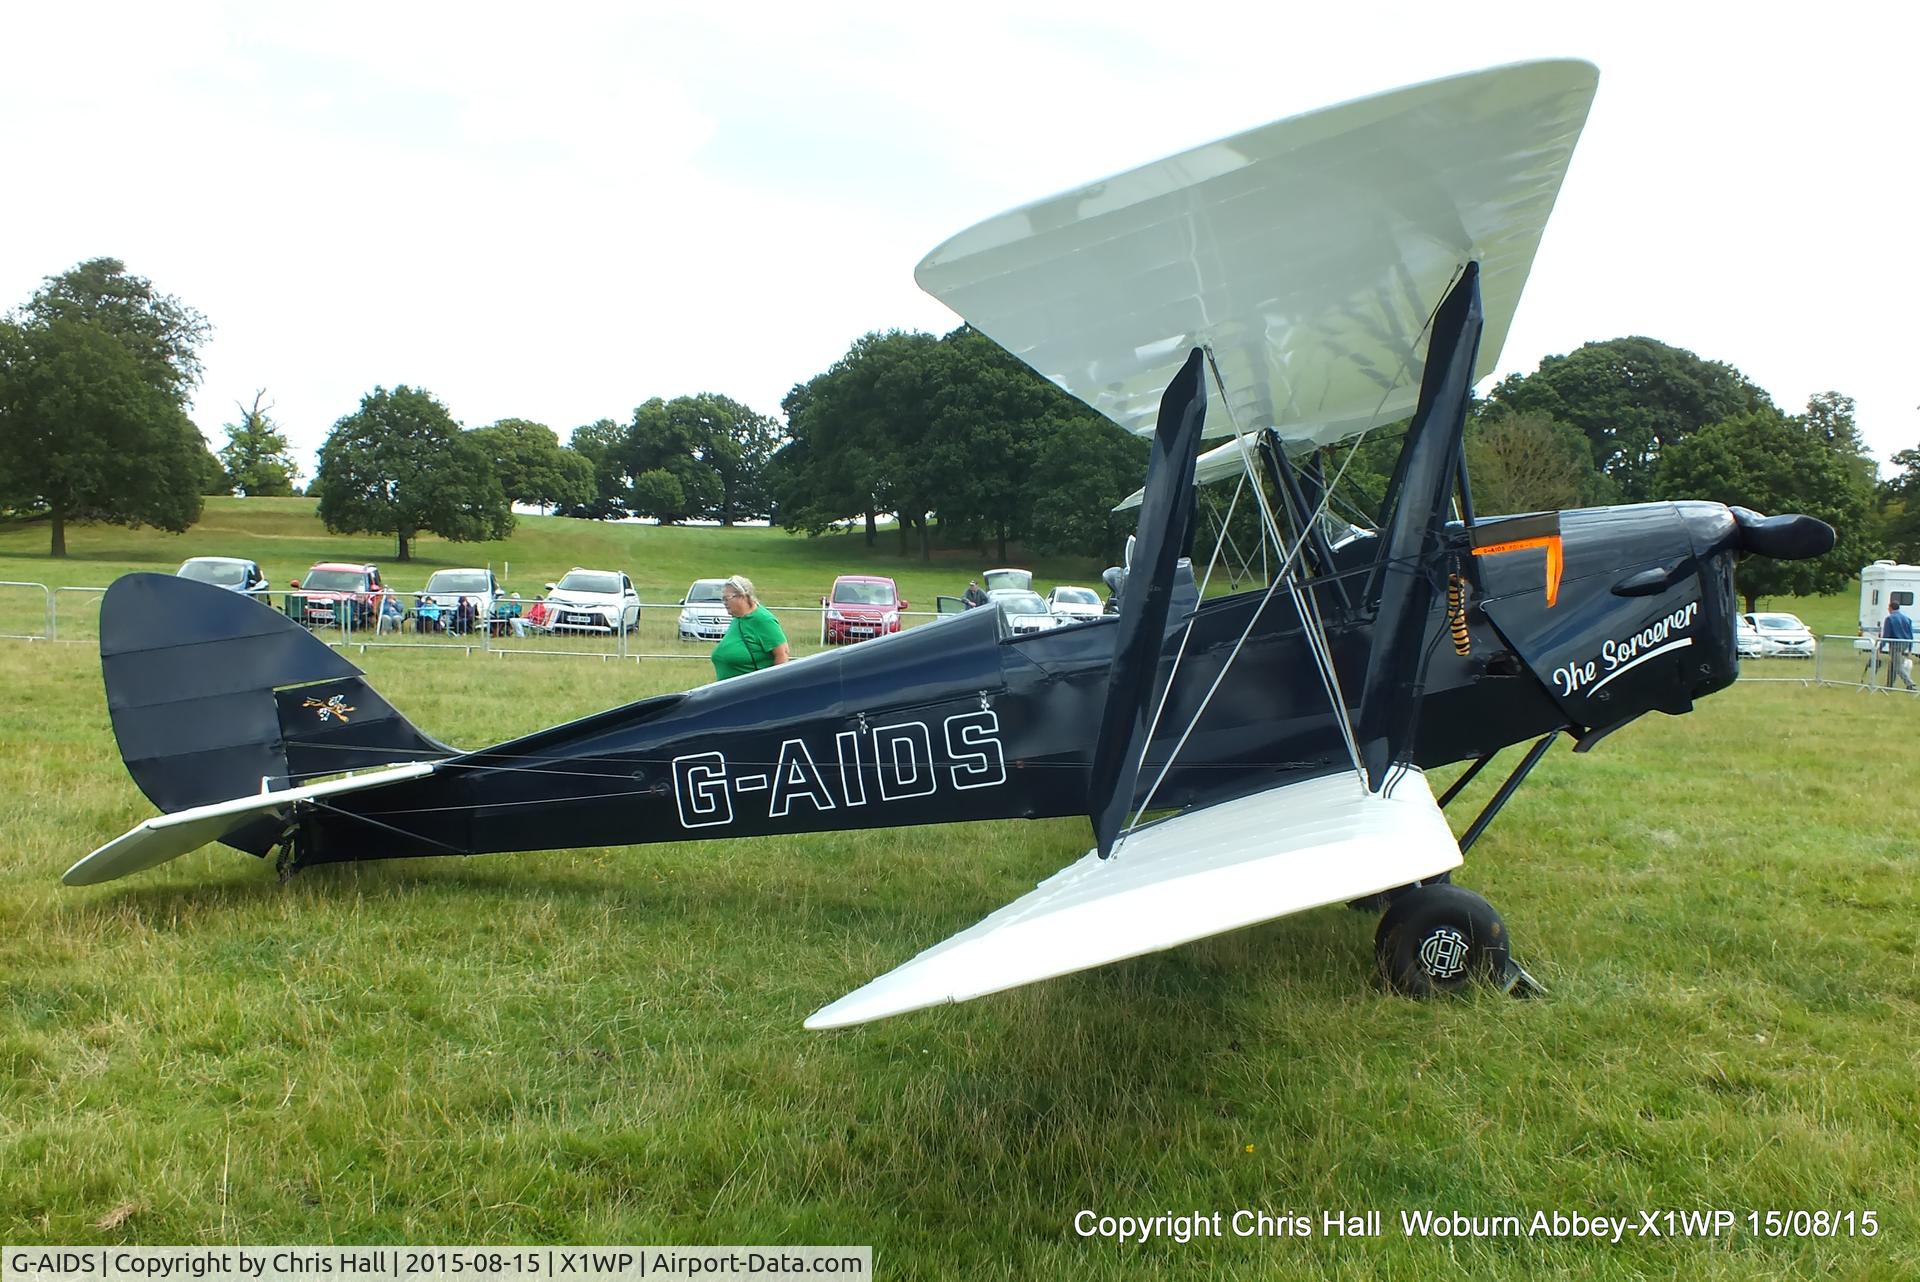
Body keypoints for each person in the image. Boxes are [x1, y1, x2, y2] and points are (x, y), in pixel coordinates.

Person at [712, 574, 790, 680]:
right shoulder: (738, 618)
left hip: (751, 692)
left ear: (742, 596)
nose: (724, 603)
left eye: (727, 599)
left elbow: (782, 654)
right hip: (728, 690)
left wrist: (773, 687)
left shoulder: (763, 620)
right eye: (723, 599)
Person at [1880, 599, 1915, 690]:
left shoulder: (1890, 619)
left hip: (1895, 645)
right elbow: (1911, 634)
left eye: (1888, 607)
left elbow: (1886, 635)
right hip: (1905, 644)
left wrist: (1880, 647)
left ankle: (1910, 683)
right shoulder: (1907, 619)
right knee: (1893, 664)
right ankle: (1889, 685)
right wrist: (1910, 648)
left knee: (1897, 666)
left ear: (1891, 608)